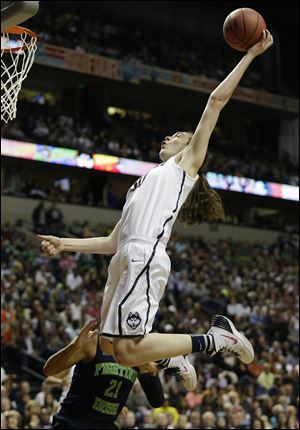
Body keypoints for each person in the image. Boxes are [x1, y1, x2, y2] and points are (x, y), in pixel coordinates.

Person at [38, 31, 273, 369]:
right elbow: (110, 241)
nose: (169, 136)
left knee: (127, 351)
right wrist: (64, 243)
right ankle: (169, 361)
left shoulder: (184, 167)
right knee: (109, 348)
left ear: (190, 149)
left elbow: (216, 102)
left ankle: (218, 337)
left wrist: (250, 55)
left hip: (145, 253)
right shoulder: (142, 183)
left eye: (178, 136)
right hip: (125, 254)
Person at [44, 320, 195, 429]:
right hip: (73, 423)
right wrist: (73, 347)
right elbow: (49, 370)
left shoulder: (136, 352)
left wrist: (153, 374)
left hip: (106, 424)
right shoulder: (93, 341)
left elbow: (156, 401)